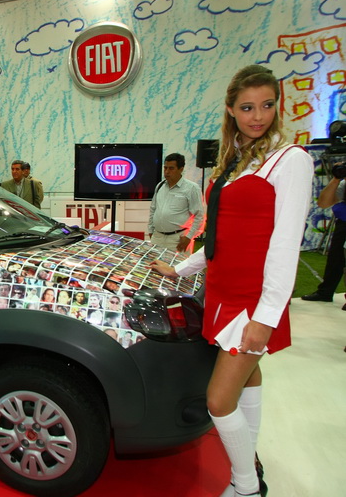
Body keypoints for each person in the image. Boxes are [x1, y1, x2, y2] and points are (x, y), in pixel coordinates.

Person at [150, 65, 313, 497]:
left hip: (252, 298)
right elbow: (221, 236)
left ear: (277, 105)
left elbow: (284, 244)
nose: (257, 115)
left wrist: (267, 315)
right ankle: (251, 465)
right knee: (250, 381)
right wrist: (180, 269)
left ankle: (245, 488)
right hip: (222, 290)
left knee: (219, 400)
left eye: (266, 105)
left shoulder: (290, 159)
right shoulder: (237, 160)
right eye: (247, 107)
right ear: (231, 110)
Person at [300, 173, 346, 309]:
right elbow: (323, 203)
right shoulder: (344, 183)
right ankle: (325, 292)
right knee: (335, 259)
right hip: (343, 223)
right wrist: (337, 178)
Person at [147, 153, 204, 253]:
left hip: (178, 239)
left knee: (177, 268)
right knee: (155, 267)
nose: (167, 172)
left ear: (181, 169)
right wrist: (151, 230)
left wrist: (189, 237)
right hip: (157, 237)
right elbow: (153, 209)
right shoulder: (160, 186)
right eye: (165, 168)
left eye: (171, 168)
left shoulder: (191, 188)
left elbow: (199, 216)